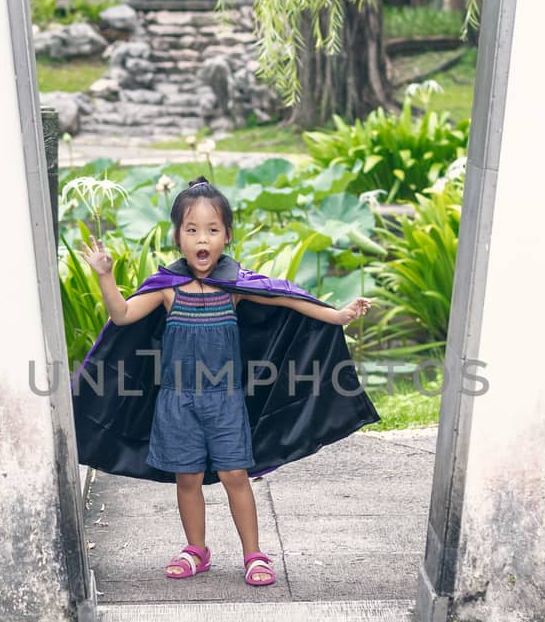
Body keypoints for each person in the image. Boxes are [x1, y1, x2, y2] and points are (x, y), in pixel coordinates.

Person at [77, 175, 375, 588]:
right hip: (177, 403)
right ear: (178, 237)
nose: (203, 238)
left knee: (236, 476)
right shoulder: (168, 289)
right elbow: (123, 316)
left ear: (227, 236)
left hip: (225, 402)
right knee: (188, 479)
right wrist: (105, 277)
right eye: (193, 229)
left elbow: (289, 299)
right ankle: (196, 549)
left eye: (213, 230)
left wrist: (339, 315)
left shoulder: (234, 289)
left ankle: (253, 554)